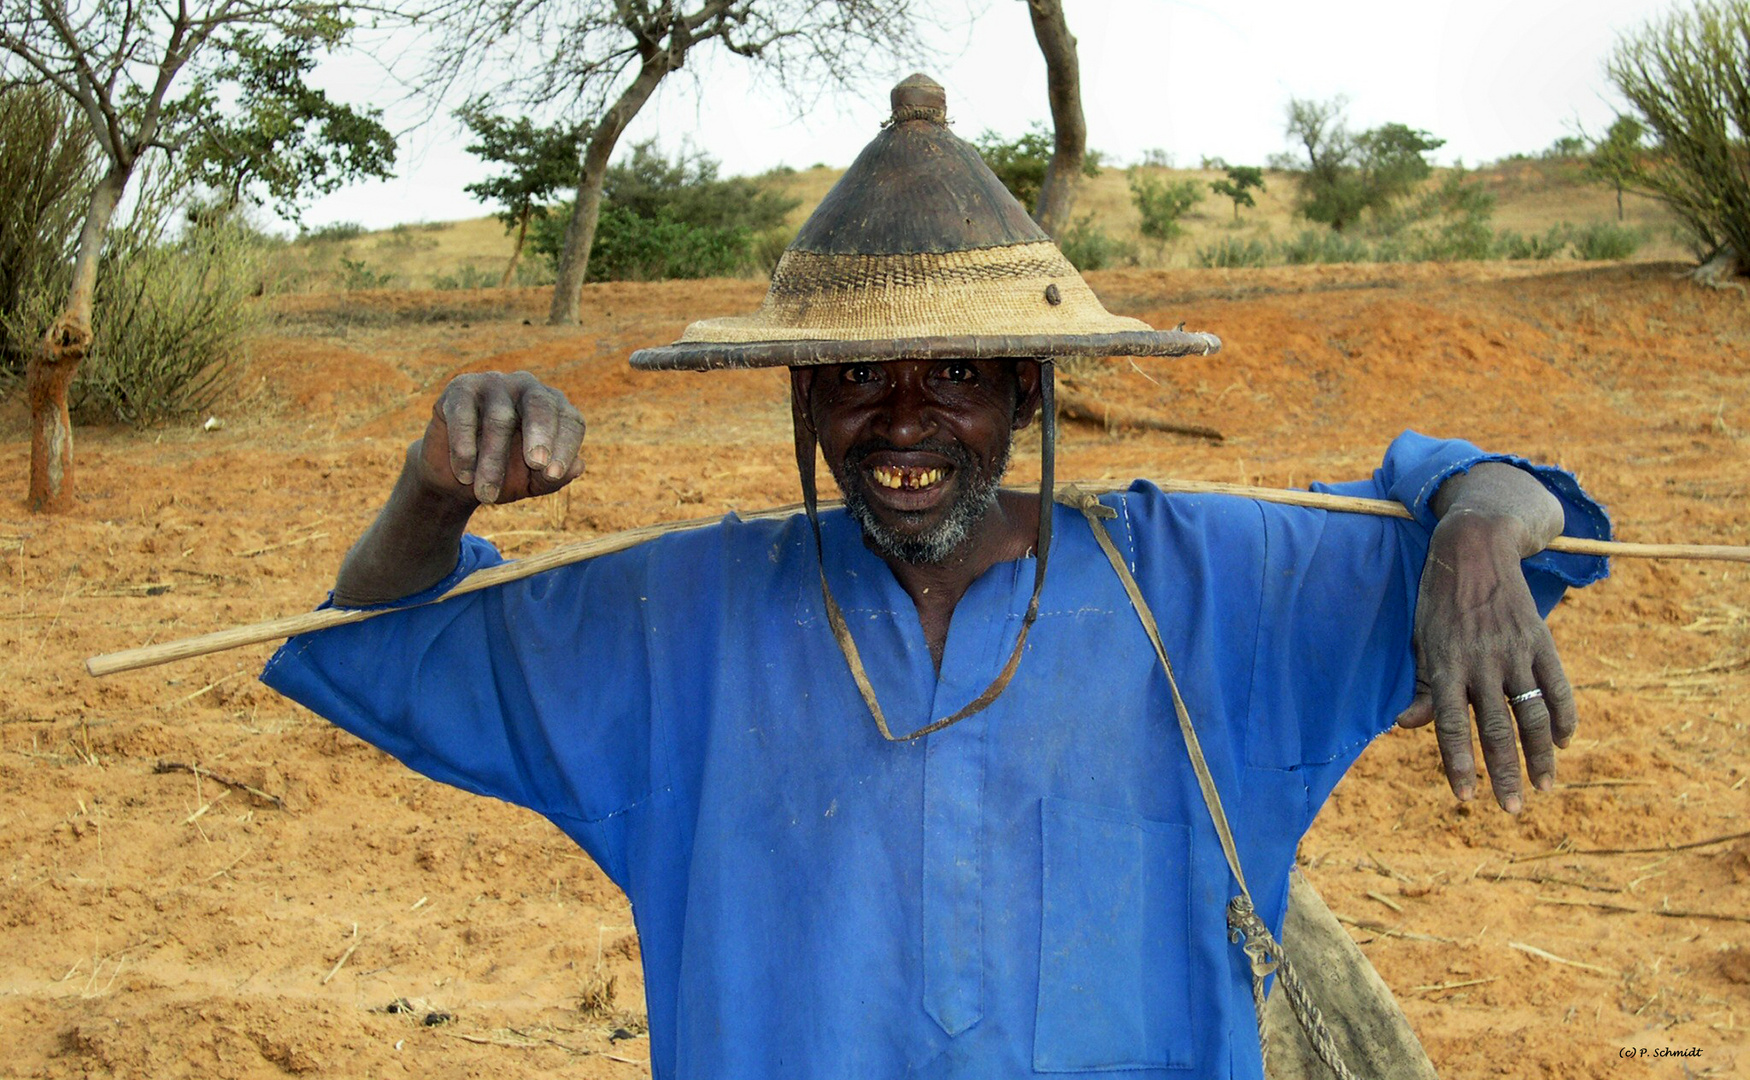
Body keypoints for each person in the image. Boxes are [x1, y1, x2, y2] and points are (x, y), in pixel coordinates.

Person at [261, 75, 1611, 1079]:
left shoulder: (1210, 586)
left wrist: (1477, 524)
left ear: (1026, 388)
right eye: (855, 376)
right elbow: (381, 637)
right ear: (798, 400)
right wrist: (435, 483)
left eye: (954, 371)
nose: (901, 418)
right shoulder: (680, 621)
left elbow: (1533, 502)